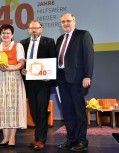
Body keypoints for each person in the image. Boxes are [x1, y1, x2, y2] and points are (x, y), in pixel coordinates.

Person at [56, 13, 94, 152]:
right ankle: (71, 140)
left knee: (79, 111)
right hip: (62, 79)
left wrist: (87, 76)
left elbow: (89, 56)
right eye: (63, 21)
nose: (66, 23)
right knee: (67, 112)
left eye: (68, 21)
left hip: (77, 79)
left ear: (74, 21)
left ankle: (82, 141)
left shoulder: (83, 35)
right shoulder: (60, 39)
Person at [20, 20, 56, 149]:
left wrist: (50, 76)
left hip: (43, 82)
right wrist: (22, 70)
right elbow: (21, 62)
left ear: (41, 29)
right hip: (29, 82)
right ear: (29, 30)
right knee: (34, 111)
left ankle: (41, 139)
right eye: (31, 28)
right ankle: (37, 138)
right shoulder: (23, 43)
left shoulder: (49, 42)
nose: (34, 30)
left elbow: (53, 61)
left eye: (36, 28)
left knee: (41, 110)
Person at [0, 24, 26, 148]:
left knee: (12, 108)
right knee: (2, 107)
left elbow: (21, 62)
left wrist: (11, 67)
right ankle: (5, 137)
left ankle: (12, 138)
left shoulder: (18, 46)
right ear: (0, 35)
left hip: (13, 77)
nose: (5, 35)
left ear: (12, 35)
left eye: (8, 33)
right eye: (3, 33)